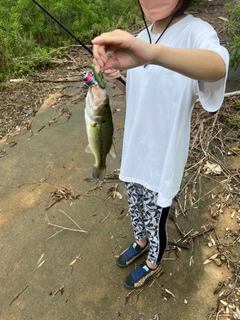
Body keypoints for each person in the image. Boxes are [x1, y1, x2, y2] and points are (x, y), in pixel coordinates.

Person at [92, 0, 229, 289]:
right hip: (134, 151)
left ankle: (153, 260)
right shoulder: (139, 39)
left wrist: (153, 54)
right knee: (137, 210)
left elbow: (217, 66)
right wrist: (118, 79)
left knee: (157, 220)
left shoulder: (196, 33)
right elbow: (143, 92)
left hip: (162, 159)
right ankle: (140, 241)